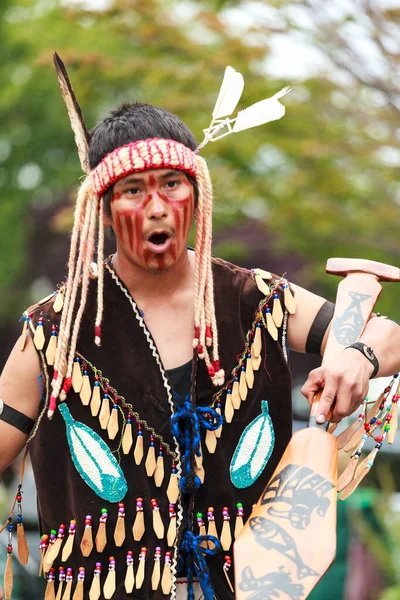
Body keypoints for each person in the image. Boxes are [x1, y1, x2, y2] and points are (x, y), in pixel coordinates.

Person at [0, 60, 399, 600]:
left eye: (171, 184)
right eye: (134, 190)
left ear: (197, 194)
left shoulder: (254, 299)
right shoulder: (57, 329)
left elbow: (387, 334)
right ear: (103, 208)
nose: (157, 207)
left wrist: (356, 358)